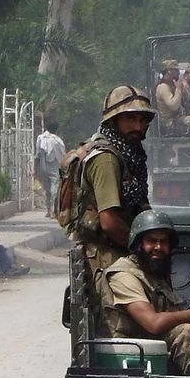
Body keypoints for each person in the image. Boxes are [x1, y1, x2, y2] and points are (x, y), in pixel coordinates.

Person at [103, 211, 190, 376]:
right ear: (138, 244)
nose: (158, 247)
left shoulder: (156, 274)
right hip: (129, 355)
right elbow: (154, 323)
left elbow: (172, 321)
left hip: (155, 347)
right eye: (152, 241)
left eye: (163, 242)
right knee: (186, 333)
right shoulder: (124, 274)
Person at [71, 84, 155, 294]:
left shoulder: (129, 153)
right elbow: (109, 222)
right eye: (130, 118)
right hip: (106, 257)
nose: (138, 126)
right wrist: (143, 251)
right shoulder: (107, 159)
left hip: (115, 252)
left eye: (143, 119)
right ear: (113, 120)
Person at [35, 122, 66, 217]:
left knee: (47, 189)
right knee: (55, 189)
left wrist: (35, 169)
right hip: (55, 168)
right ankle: (52, 210)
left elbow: (37, 156)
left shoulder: (41, 138)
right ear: (56, 130)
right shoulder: (58, 141)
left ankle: (49, 210)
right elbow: (63, 156)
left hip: (43, 167)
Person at [154, 59, 184, 134]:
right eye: (176, 70)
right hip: (169, 123)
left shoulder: (170, 85)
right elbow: (174, 106)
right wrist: (178, 89)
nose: (178, 73)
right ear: (169, 71)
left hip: (176, 120)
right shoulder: (163, 87)